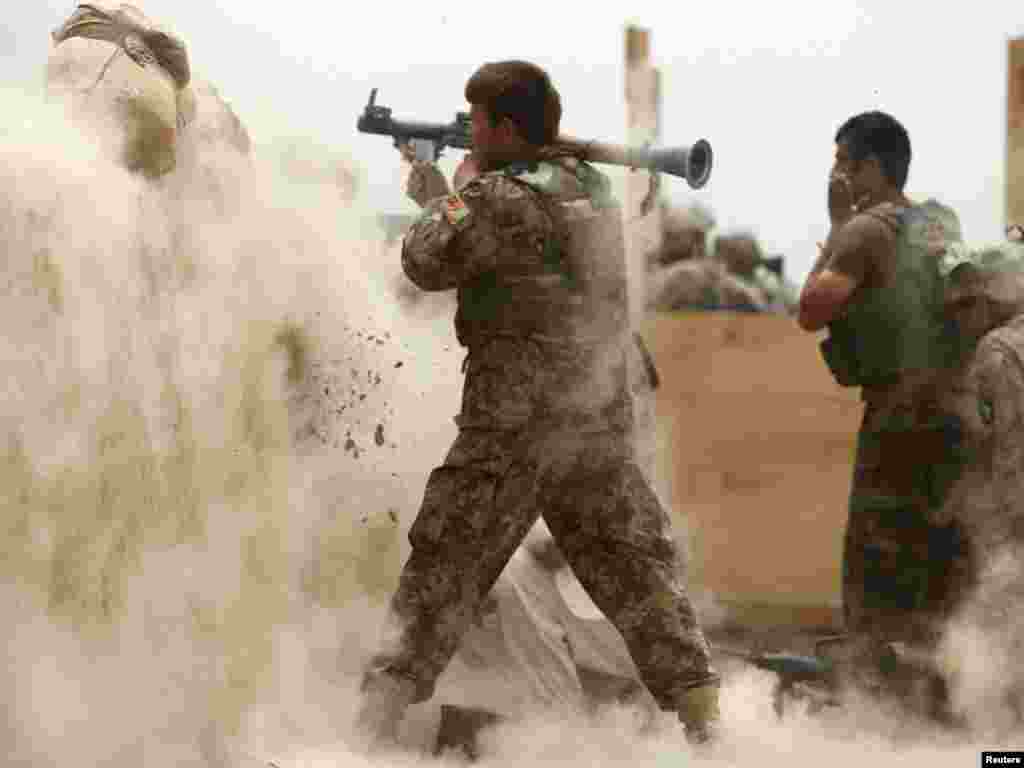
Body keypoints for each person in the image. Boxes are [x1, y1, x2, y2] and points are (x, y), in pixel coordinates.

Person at [355, 60, 720, 750]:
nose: (475, 137)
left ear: (502, 126)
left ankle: (365, 741)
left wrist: (443, 193)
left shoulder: (497, 197)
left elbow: (425, 261)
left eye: (481, 125)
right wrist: (457, 192)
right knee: (639, 575)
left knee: (440, 574)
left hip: (512, 427)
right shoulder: (590, 188)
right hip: (592, 418)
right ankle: (710, 732)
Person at [797, 111, 973, 718]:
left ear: (872, 168)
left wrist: (837, 223)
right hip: (957, 416)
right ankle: (949, 703)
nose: (837, 173)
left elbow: (813, 310)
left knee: (874, 561)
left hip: (899, 415)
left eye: (845, 162)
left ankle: (874, 715)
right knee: (941, 557)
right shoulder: (937, 221)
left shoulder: (863, 229)